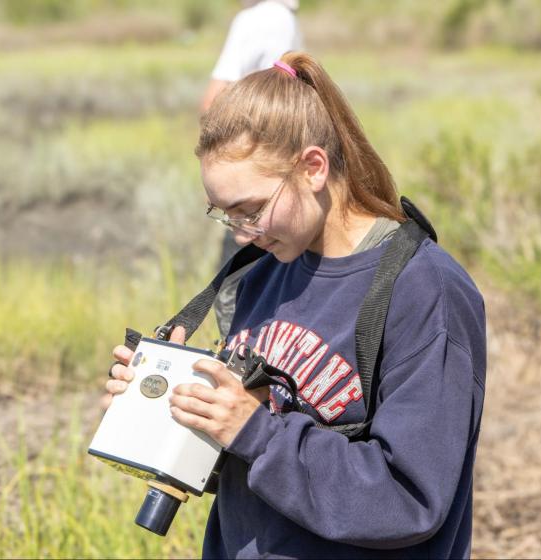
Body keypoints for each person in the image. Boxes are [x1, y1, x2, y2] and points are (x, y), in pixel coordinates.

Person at [106, 52, 486, 558]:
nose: (242, 233)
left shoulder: (425, 291)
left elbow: (409, 498)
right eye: (224, 215)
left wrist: (256, 432)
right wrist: (168, 406)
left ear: (313, 167)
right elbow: (250, 463)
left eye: (252, 210)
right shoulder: (258, 275)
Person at [199, 0, 303, 339]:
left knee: (233, 289)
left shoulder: (256, 19)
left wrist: (231, 185)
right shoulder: (285, 18)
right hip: (279, 185)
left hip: (256, 186)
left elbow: (214, 101)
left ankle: (239, 370)